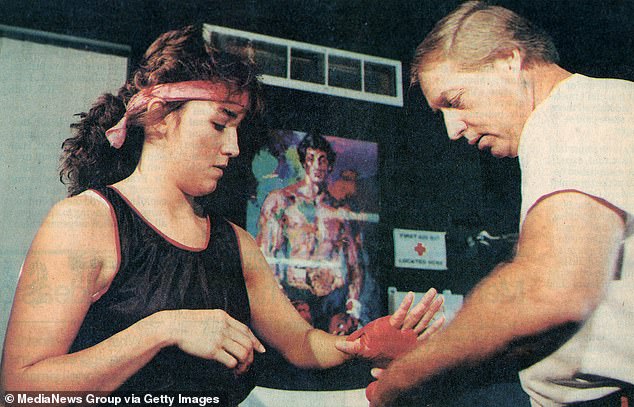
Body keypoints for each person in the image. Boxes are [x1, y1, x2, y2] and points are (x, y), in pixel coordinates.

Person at [0, 25, 445, 406]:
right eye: (219, 124)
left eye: (237, 128)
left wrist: (363, 344)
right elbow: (20, 389)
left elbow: (305, 343)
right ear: (158, 117)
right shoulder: (84, 223)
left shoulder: (236, 244)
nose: (232, 148)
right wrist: (162, 329)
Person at [367, 2, 634, 406]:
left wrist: (405, 379)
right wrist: (445, 353)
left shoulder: (575, 111)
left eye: (455, 100)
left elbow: (545, 293)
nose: (452, 130)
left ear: (509, 61)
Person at [256, 133, 368, 334]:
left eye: (323, 159)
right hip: (294, 295)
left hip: (332, 299)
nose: (317, 165)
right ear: (304, 163)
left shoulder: (341, 211)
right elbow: (266, 254)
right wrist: (278, 299)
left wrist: (353, 306)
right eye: (311, 158)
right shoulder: (281, 201)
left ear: (330, 166)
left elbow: (355, 263)